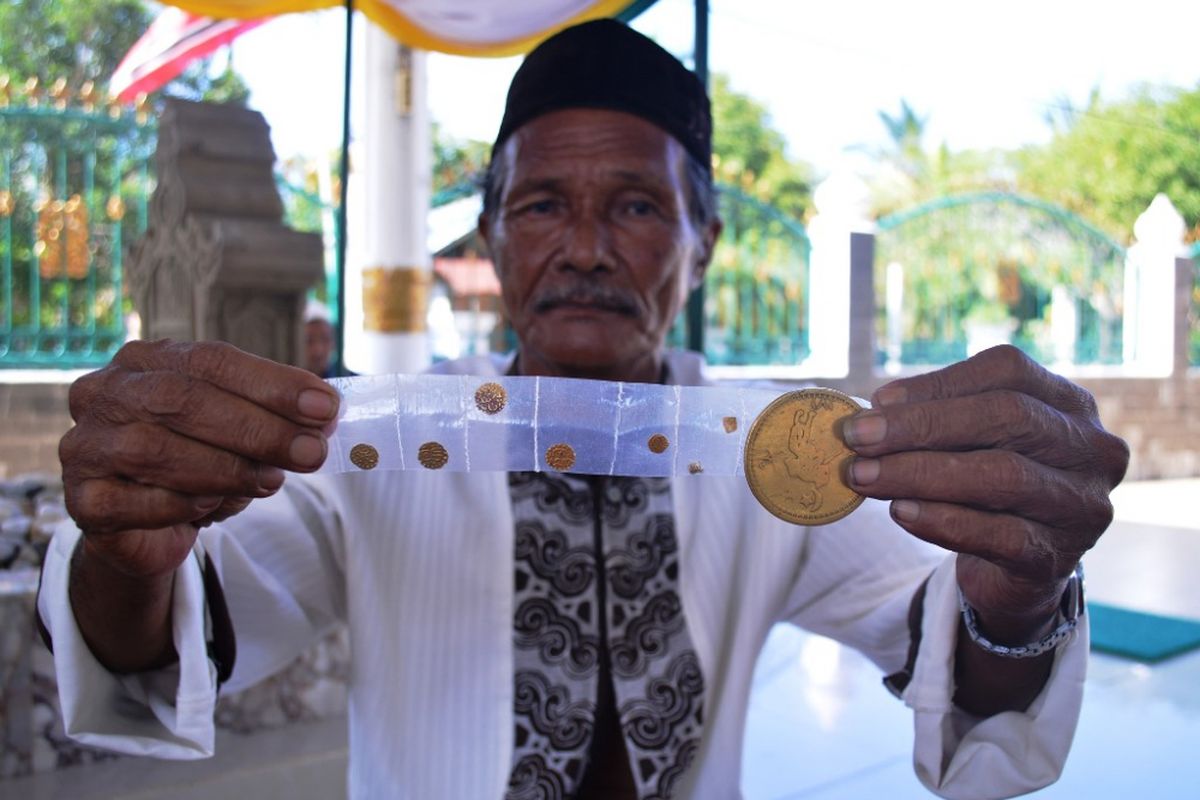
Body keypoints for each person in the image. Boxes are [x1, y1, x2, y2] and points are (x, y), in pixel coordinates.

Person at [40, 19, 1128, 800]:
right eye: (544, 203)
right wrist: (125, 554)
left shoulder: (773, 449)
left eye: (640, 206)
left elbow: (961, 655)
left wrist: (1017, 591)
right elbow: (172, 637)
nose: (589, 247)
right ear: (496, 238)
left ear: (704, 243)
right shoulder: (373, 442)